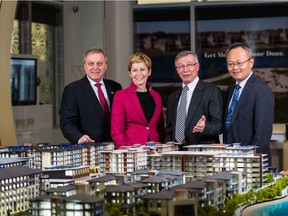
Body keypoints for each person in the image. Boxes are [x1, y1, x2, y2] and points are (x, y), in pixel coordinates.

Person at [60, 47, 122, 144]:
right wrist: (79, 138)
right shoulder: (72, 90)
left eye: (100, 63)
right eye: (91, 63)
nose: (95, 67)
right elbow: (67, 123)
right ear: (84, 66)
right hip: (89, 148)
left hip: (116, 146)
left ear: (106, 66)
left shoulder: (116, 87)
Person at [223, 43, 274, 159]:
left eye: (239, 63)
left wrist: (251, 159)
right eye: (230, 64)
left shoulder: (261, 90)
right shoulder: (231, 89)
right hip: (230, 157)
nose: (235, 68)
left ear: (251, 62)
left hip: (251, 161)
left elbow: (262, 133)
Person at [165, 50, 223, 147]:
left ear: (197, 67)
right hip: (176, 155)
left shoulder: (211, 91)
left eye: (190, 65)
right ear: (177, 70)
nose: (185, 69)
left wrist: (204, 127)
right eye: (181, 66)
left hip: (202, 155)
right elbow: (169, 130)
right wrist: (168, 144)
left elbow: (219, 126)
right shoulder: (172, 97)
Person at [111, 52, 165, 149]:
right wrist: (131, 151)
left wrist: (161, 145)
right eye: (135, 70)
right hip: (131, 151)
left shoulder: (157, 96)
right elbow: (117, 131)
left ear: (149, 71)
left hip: (155, 150)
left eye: (142, 69)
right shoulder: (120, 96)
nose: (139, 74)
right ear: (129, 73)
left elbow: (160, 128)